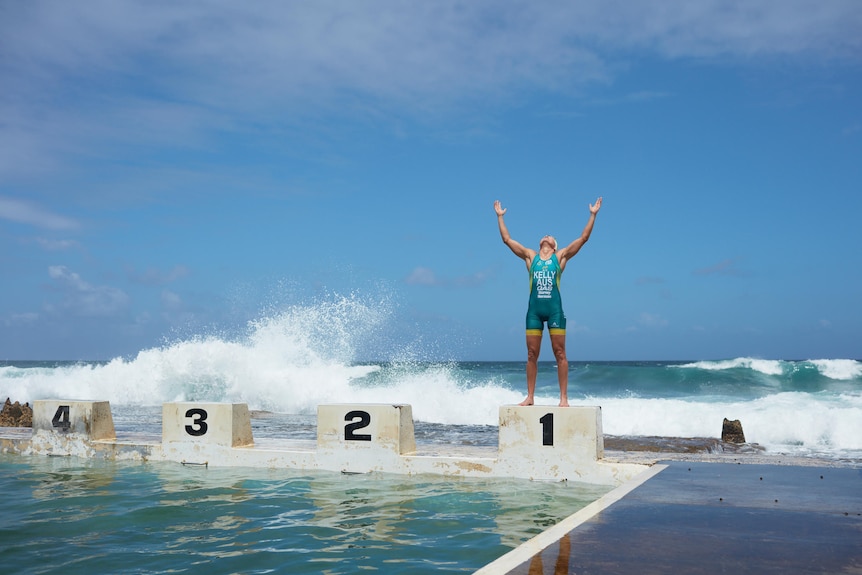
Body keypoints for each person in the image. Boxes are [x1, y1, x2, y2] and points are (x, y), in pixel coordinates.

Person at [494, 197, 602, 407]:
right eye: (544, 235)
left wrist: (593, 214)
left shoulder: (560, 257)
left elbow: (584, 238)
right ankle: (530, 397)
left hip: (554, 311)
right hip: (534, 312)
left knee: (560, 353)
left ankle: (563, 399)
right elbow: (507, 240)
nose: (546, 235)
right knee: (531, 354)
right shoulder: (530, 257)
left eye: (550, 236)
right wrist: (500, 218)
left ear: (554, 246)